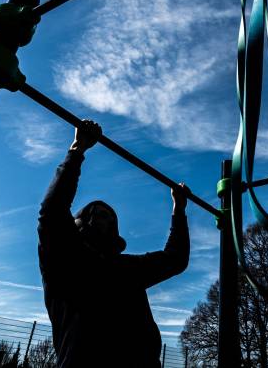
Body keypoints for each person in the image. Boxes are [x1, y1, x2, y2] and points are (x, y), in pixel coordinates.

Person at [38, 119, 190, 367]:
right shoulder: (65, 256)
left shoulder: (126, 268)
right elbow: (52, 211)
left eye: (110, 218)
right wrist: (77, 150)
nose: (104, 220)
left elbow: (175, 259)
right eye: (97, 214)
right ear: (80, 223)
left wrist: (179, 210)